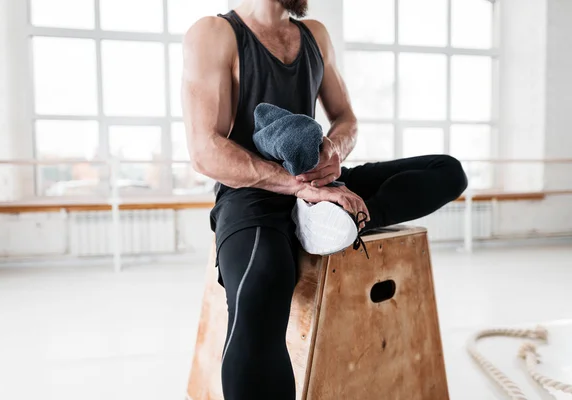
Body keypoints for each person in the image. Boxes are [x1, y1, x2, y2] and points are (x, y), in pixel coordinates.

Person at [182, 0, 468, 398]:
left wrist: (332, 153)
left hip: (319, 181)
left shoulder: (314, 34)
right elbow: (204, 149)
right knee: (264, 283)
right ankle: (324, 218)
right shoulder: (214, 34)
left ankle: (346, 220)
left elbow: (346, 118)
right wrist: (296, 186)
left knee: (447, 171)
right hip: (253, 192)